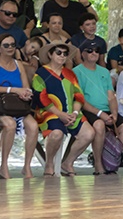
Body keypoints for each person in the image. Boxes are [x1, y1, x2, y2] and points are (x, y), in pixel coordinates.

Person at [33, 43, 97, 178]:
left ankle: (67, 163)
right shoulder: (41, 73)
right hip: (49, 113)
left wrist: (74, 113)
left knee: (89, 134)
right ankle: (49, 163)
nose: (62, 56)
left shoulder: (70, 73)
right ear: (50, 54)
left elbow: (79, 96)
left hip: (71, 113)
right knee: (56, 134)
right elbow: (41, 98)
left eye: (65, 53)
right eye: (58, 52)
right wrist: (60, 114)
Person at [0, 31, 39, 179]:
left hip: (18, 105)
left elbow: (26, 87)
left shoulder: (18, 64)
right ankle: (4, 165)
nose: (10, 48)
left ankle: (27, 165)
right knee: (10, 125)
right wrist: (13, 89)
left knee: (33, 126)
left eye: (13, 45)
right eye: (6, 45)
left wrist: (26, 93)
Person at [75, 38, 123, 176]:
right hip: (88, 109)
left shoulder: (105, 72)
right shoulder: (76, 71)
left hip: (107, 110)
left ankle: (111, 159)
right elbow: (80, 99)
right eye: (89, 50)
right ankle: (98, 164)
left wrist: (114, 113)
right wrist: (100, 113)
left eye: (97, 51)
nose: (93, 53)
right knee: (99, 125)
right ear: (82, 53)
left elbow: (111, 96)